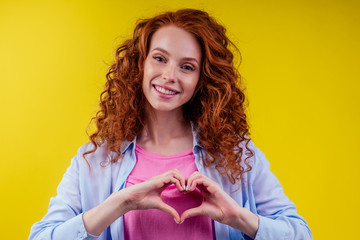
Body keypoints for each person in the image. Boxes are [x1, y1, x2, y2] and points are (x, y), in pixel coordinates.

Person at [29, 9, 312, 240]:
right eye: (160, 59)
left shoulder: (236, 155)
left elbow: (301, 234)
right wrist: (121, 203)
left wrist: (238, 217)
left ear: (203, 79)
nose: (169, 75)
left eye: (186, 66)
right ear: (140, 64)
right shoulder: (95, 160)